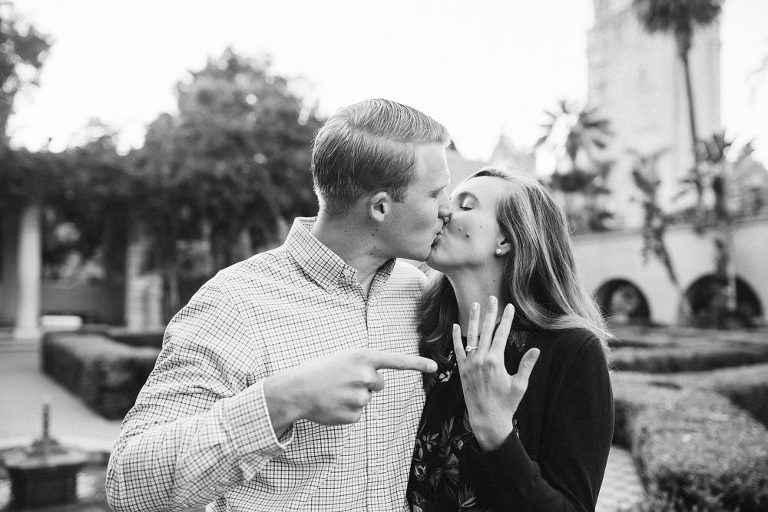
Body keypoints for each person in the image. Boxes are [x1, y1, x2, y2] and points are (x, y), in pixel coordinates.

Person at [106, 99, 452, 511]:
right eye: (435, 194)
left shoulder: (418, 292)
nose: (447, 209)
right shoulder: (234, 303)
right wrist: (283, 400)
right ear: (380, 207)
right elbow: (128, 486)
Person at [407, 168, 614, 512]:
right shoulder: (423, 334)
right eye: (447, 200)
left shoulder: (570, 351)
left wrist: (496, 433)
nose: (444, 210)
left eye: (466, 205)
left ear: (506, 241)